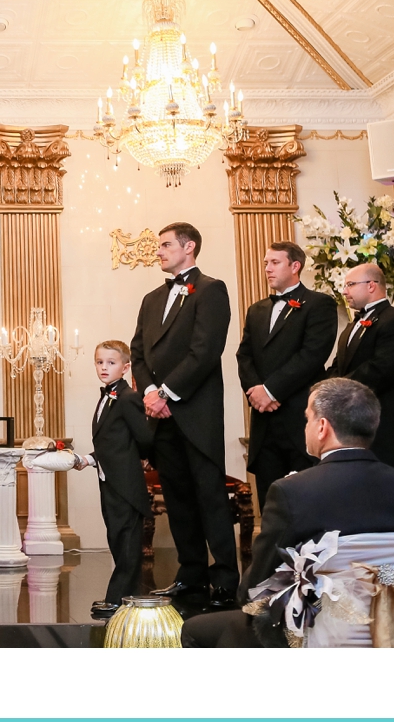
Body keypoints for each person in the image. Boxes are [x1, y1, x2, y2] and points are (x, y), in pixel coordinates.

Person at [181, 376, 394, 646]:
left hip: (320, 638)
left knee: (196, 629)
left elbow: (255, 592)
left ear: (322, 427)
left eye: (307, 419)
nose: (305, 426)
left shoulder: (293, 491)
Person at [129, 220, 236, 609]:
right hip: (161, 416)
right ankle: (190, 575)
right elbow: (138, 351)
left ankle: (225, 578)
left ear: (189, 247)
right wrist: (151, 391)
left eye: (165, 244)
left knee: (209, 497)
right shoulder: (150, 299)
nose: (158, 251)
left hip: (195, 413)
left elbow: (205, 351)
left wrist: (168, 392)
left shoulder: (211, 290)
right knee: (178, 500)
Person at [235, 239, 338, 506]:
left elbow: (312, 356)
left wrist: (270, 390)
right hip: (264, 420)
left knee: (307, 500)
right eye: (266, 263)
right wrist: (256, 393)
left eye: (275, 262)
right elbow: (244, 355)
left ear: (295, 266)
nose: (267, 268)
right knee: (272, 503)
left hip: (299, 416)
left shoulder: (319, 304)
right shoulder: (256, 310)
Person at [73, 339, 154, 617]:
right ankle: (125, 597)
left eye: (111, 362)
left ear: (125, 366)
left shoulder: (128, 397)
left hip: (126, 482)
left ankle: (119, 599)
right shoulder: (107, 396)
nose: (104, 367)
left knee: (128, 541)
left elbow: (143, 437)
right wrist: (92, 458)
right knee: (117, 538)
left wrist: (140, 458)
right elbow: (112, 441)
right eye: (99, 362)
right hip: (109, 479)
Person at [329, 262, 394, 473]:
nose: (344, 291)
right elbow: (337, 365)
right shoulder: (353, 325)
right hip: (352, 425)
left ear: (371, 286)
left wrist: (338, 392)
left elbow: (380, 369)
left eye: (350, 284)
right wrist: (324, 390)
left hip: (385, 426)